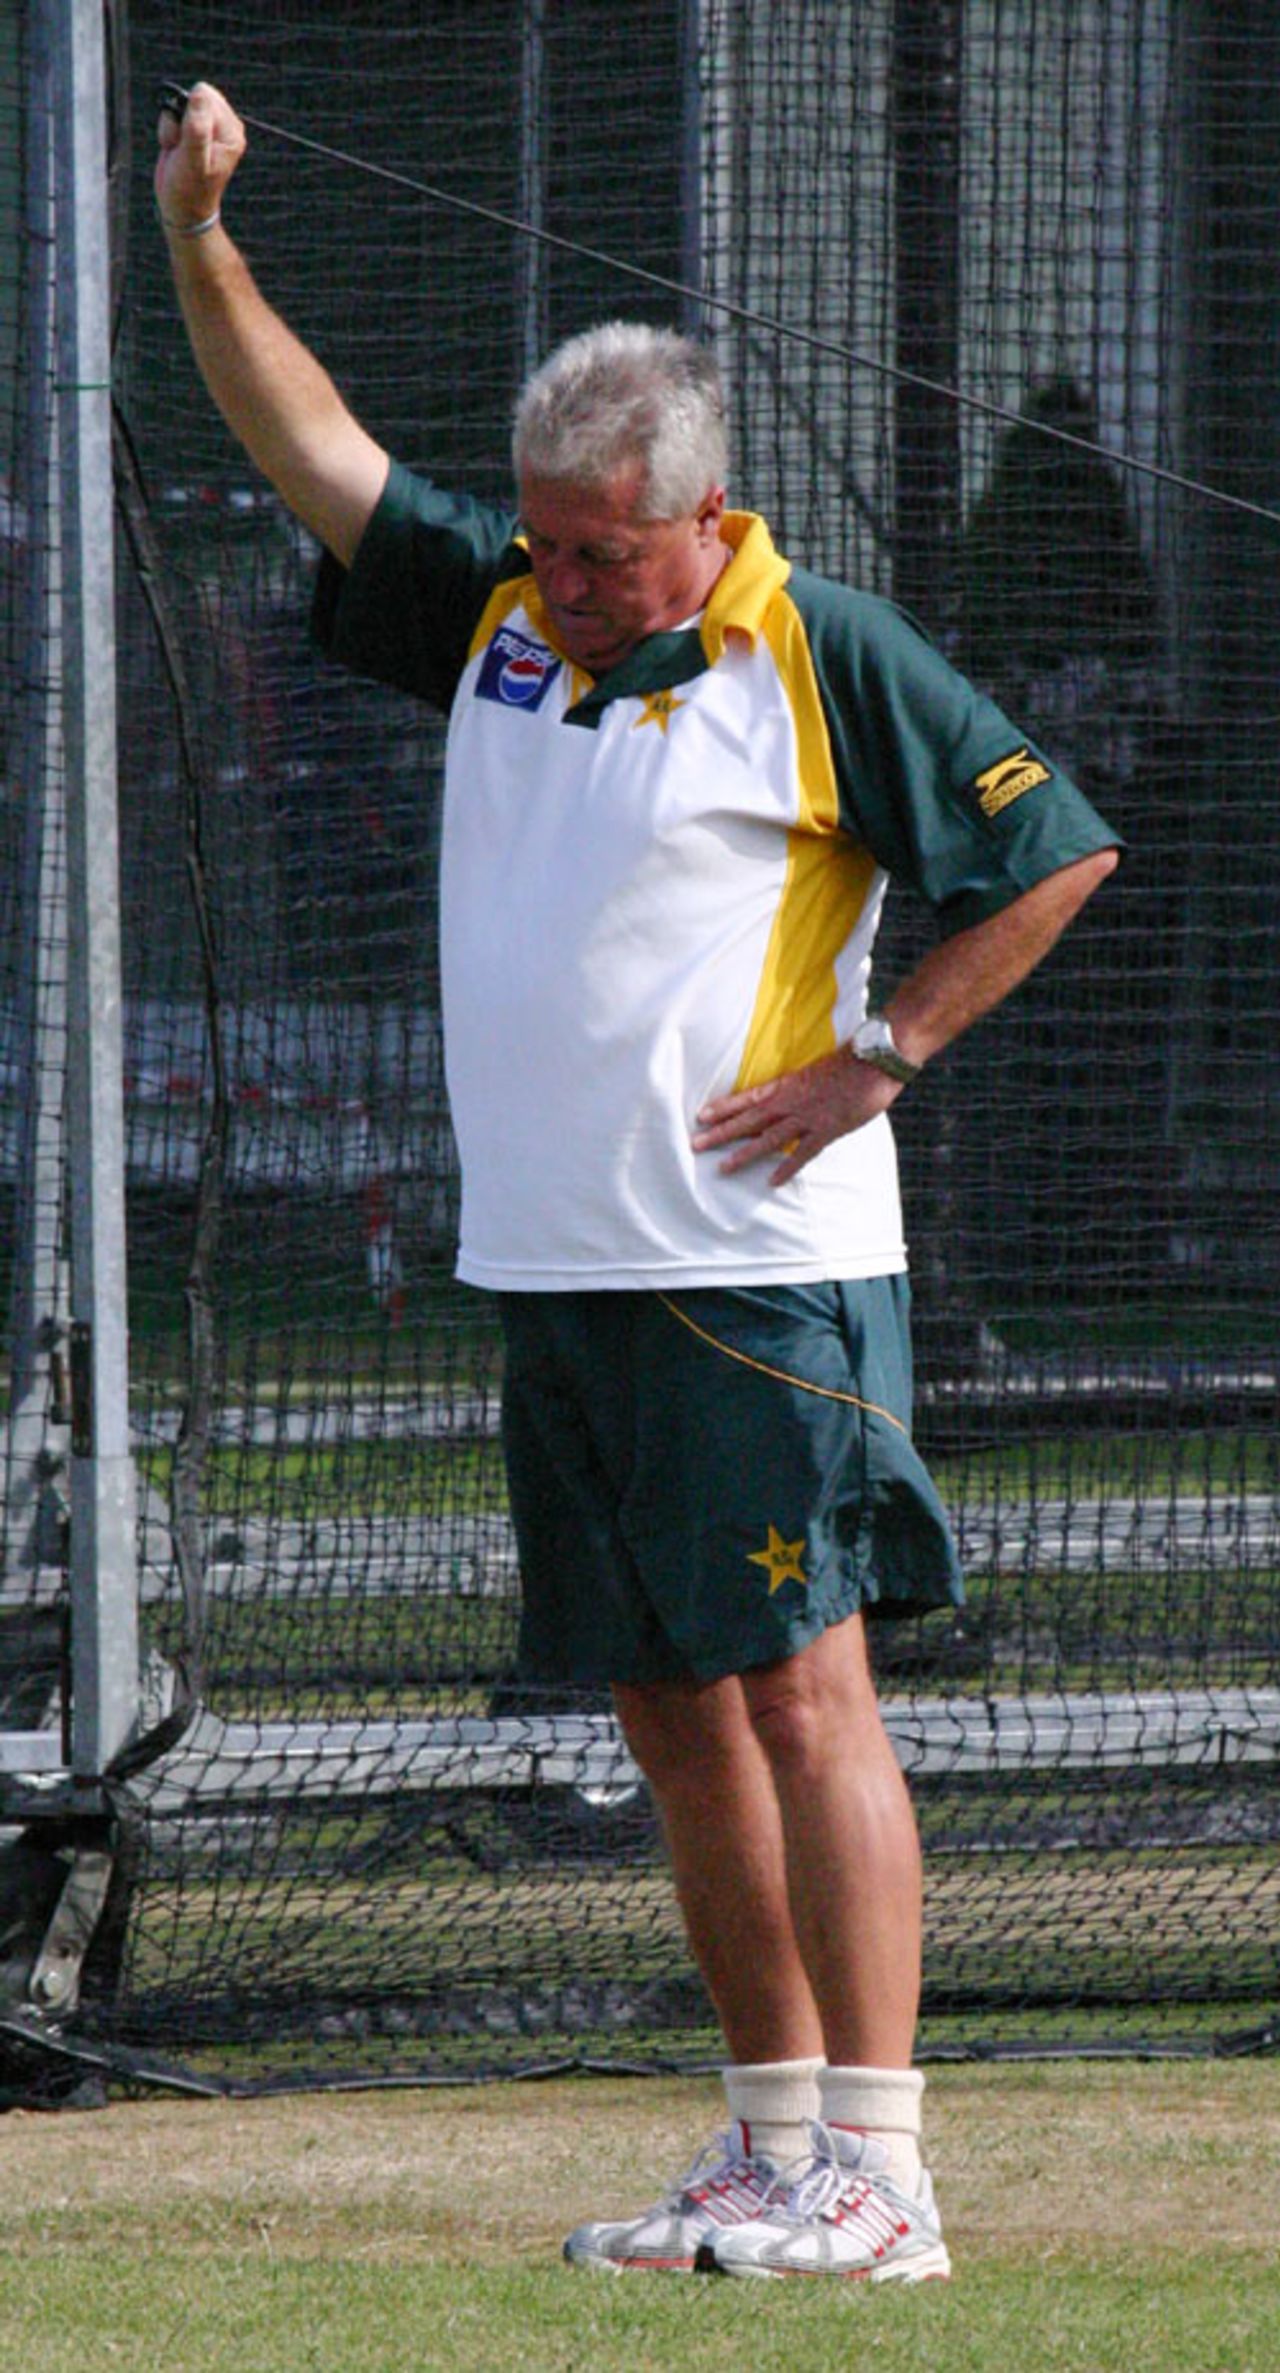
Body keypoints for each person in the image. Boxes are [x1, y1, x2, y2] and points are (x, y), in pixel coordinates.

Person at [156, 84, 1120, 2285]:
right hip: (558, 1263)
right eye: (545, 537)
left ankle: (884, 2173)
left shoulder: (823, 650)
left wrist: (886, 1050)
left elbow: (1051, 844)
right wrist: (201, 239)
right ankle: (772, 2147)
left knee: (804, 1690)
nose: (563, 579)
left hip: (751, 1270)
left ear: (705, 519)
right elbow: (310, 447)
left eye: (603, 550)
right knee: (669, 1708)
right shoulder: (496, 616)